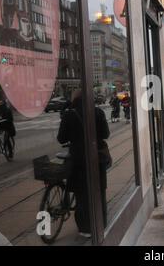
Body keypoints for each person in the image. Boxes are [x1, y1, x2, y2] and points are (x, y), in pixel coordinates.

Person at [57, 90, 110, 238]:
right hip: (97, 159)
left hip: (78, 161)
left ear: (74, 100)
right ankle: (101, 222)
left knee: (81, 195)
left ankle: (85, 228)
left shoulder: (69, 115)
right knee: (99, 191)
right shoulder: (98, 112)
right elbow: (105, 134)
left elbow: (61, 138)